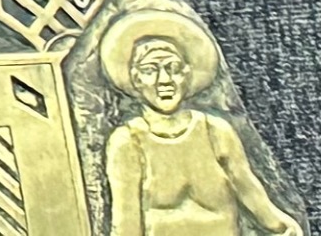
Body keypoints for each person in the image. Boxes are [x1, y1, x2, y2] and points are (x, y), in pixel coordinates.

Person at [100, 12, 299, 236]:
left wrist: (283, 226)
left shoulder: (216, 132)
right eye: (150, 70)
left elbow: (250, 192)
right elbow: (126, 222)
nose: (164, 80)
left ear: (187, 73)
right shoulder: (128, 142)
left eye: (173, 68)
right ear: (136, 79)